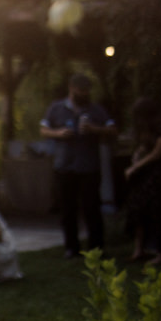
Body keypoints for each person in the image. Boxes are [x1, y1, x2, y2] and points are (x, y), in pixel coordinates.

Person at [40, 74, 117, 259]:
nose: (84, 94)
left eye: (87, 91)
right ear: (71, 88)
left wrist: (94, 129)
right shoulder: (56, 108)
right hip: (64, 167)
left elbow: (113, 130)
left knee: (92, 208)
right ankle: (71, 248)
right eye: (81, 90)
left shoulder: (96, 110)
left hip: (89, 167)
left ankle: (96, 248)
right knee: (68, 210)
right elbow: (43, 129)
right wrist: (58, 133)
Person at [123, 97, 161, 264]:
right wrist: (137, 155)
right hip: (145, 174)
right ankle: (139, 249)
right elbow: (144, 147)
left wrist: (135, 167)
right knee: (139, 210)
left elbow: (156, 154)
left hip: (159, 174)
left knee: (158, 212)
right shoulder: (144, 128)